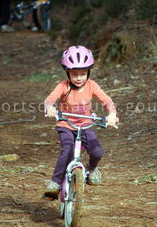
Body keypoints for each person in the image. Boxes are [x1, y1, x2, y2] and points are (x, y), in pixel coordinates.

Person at [43, 45, 118, 198]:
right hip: (66, 125)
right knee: (68, 149)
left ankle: (91, 169)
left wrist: (112, 113)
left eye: (83, 74)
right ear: (67, 73)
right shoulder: (63, 86)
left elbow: (106, 100)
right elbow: (49, 100)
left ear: (88, 72)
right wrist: (49, 107)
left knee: (97, 151)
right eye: (74, 74)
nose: (78, 78)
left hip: (86, 125)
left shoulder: (92, 85)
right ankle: (56, 182)